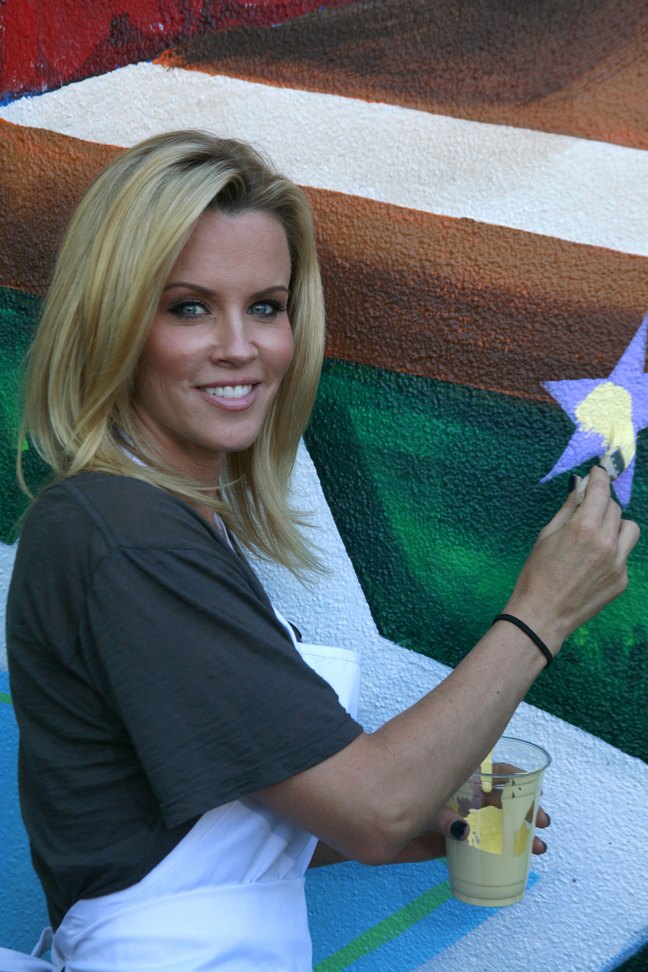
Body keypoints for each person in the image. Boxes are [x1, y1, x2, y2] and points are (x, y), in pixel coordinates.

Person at [2, 130, 639, 971]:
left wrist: (416, 820)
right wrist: (540, 613)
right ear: (114, 321)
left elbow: (182, 846)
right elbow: (369, 807)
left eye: (266, 306)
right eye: (189, 306)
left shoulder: (163, 524)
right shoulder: (122, 535)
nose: (242, 345)